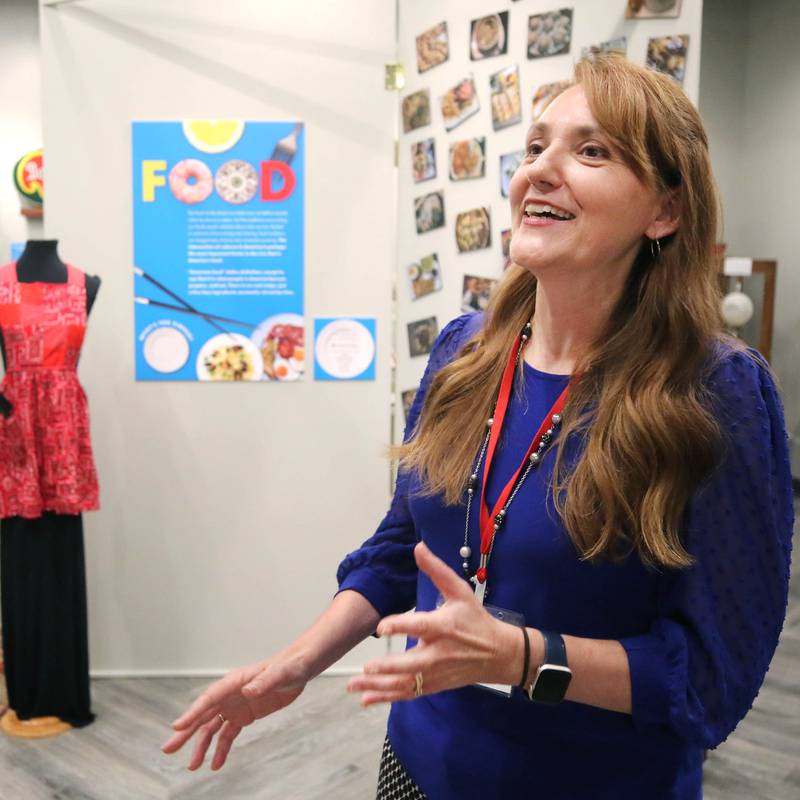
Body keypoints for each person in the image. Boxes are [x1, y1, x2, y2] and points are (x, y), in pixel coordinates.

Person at [162, 55, 794, 799]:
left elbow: (712, 681)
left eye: (591, 150)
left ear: (666, 211)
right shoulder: (465, 351)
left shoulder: (715, 389)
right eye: (534, 148)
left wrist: (518, 656)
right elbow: (403, 549)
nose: (540, 172)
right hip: (419, 765)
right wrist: (297, 664)